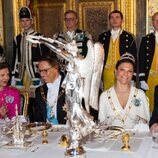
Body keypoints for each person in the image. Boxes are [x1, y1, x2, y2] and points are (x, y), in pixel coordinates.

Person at [11, 6, 49, 122]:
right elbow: (15, 57)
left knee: (37, 101)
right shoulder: (17, 38)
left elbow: (45, 57)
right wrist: (13, 75)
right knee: (23, 102)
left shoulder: (39, 37)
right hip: (22, 75)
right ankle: (27, 123)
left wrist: (45, 74)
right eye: (22, 20)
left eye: (27, 20)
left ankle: (39, 122)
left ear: (32, 21)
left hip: (36, 75)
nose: (25, 23)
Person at [98, 53, 150, 129]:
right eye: (122, 70)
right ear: (115, 72)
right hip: (112, 139)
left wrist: (138, 118)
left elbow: (146, 125)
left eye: (130, 71)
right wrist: (107, 122)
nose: (126, 74)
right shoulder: (104, 96)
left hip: (135, 139)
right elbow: (100, 128)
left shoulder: (139, 95)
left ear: (133, 74)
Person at [98, 10, 137, 90]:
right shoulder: (102, 37)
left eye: (117, 17)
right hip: (106, 74)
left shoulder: (129, 37)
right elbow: (98, 58)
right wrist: (98, 77)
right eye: (112, 18)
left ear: (122, 20)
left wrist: (133, 77)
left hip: (123, 73)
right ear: (109, 21)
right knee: (108, 97)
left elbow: (134, 58)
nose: (114, 20)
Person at [34, 56, 66, 124]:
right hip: (45, 132)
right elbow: (38, 119)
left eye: (45, 70)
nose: (42, 75)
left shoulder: (69, 88)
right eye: (40, 71)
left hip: (66, 131)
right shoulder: (39, 91)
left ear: (56, 68)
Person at [139, 12, 158, 112]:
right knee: (150, 105)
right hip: (150, 78)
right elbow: (141, 60)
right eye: (156, 20)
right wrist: (142, 79)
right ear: (152, 23)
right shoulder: (146, 39)